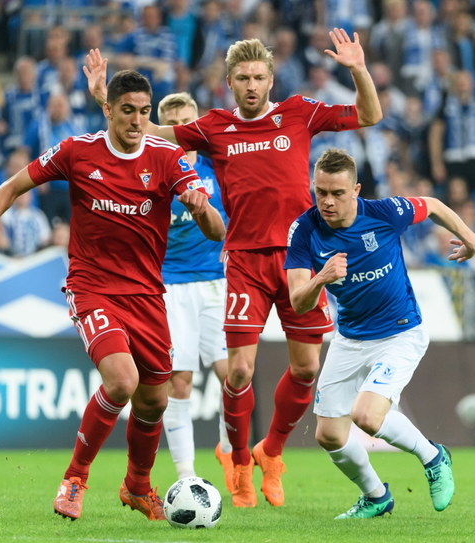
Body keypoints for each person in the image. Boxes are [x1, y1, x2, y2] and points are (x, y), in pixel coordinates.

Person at [85, 26, 382, 509]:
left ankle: (273, 454)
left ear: (271, 80)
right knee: (239, 371)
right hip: (243, 261)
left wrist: (358, 69)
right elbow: (147, 133)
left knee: (306, 368)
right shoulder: (214, 127)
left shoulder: (299, 113)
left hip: (301, 258)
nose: (250, 84)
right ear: (229, 82)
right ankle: (240, 461)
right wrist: (105, 102)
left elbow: (370, 114)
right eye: (241, 77)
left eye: (258, 76)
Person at [0, 70, 225, 522]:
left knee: (155, 400)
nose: (137, 121)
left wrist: (202, 210)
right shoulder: (77, 151)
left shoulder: (168, 158)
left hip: (147, 294)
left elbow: (216, 230)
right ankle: (74, 479)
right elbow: (12, 187)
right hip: (92, 289)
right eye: (128, 111)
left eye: (145, 112)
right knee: (122, 381)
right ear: (107, 110)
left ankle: (137, 486)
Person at [284, 148, 475, 519]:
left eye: (337, 193)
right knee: (329, 435)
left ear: (355, 190)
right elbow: (298, 302)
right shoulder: (305, 230)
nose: (327, 201)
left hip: (400, 332)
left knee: (367, 416)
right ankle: (375, 496)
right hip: (350, 338)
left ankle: (434, 457)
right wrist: (321, 277)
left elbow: (433, 205)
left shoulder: (385, 213)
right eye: (320, 191)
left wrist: (470, 238)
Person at [155, 92, 232, 487]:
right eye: (174, 124)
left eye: (188, 122)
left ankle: (229, 453)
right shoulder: (153, 174)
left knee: (233, 374)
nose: (182, 131)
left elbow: (241, 210)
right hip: (170, 286)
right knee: (179, 381)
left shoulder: (218, 168)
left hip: (217, 283)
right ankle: (186, 476)